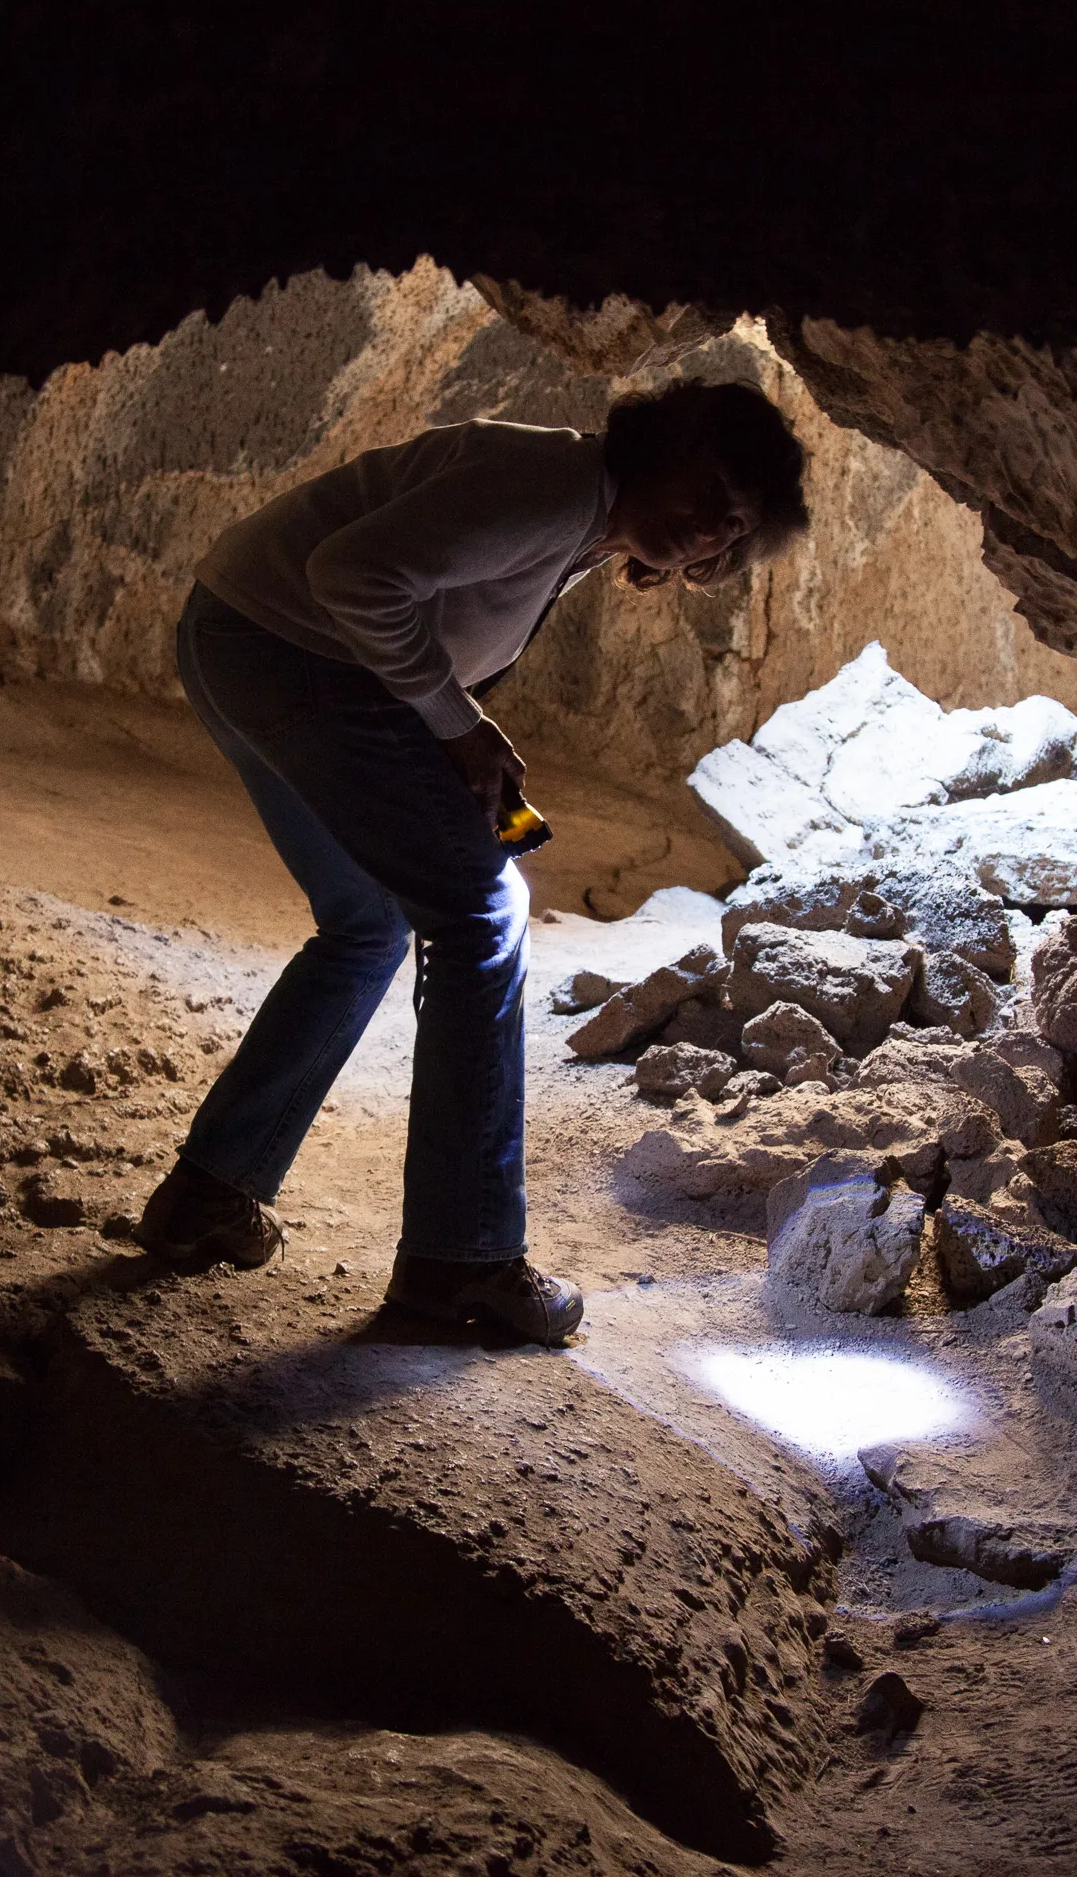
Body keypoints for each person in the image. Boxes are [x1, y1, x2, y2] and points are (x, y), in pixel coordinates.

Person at [133, 379, 811, 1343]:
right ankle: (463, 1258)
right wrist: (451, 728)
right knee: (482, 915)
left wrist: (457, 731)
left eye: (731, 526)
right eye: (706, 491)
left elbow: (416, 603)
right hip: (295, 652)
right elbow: (353, 576)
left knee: (368, 924)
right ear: (662, 445)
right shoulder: (547, 483)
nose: (707, 529)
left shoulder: (579, 516)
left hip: (245, 638)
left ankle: (207, 1197)